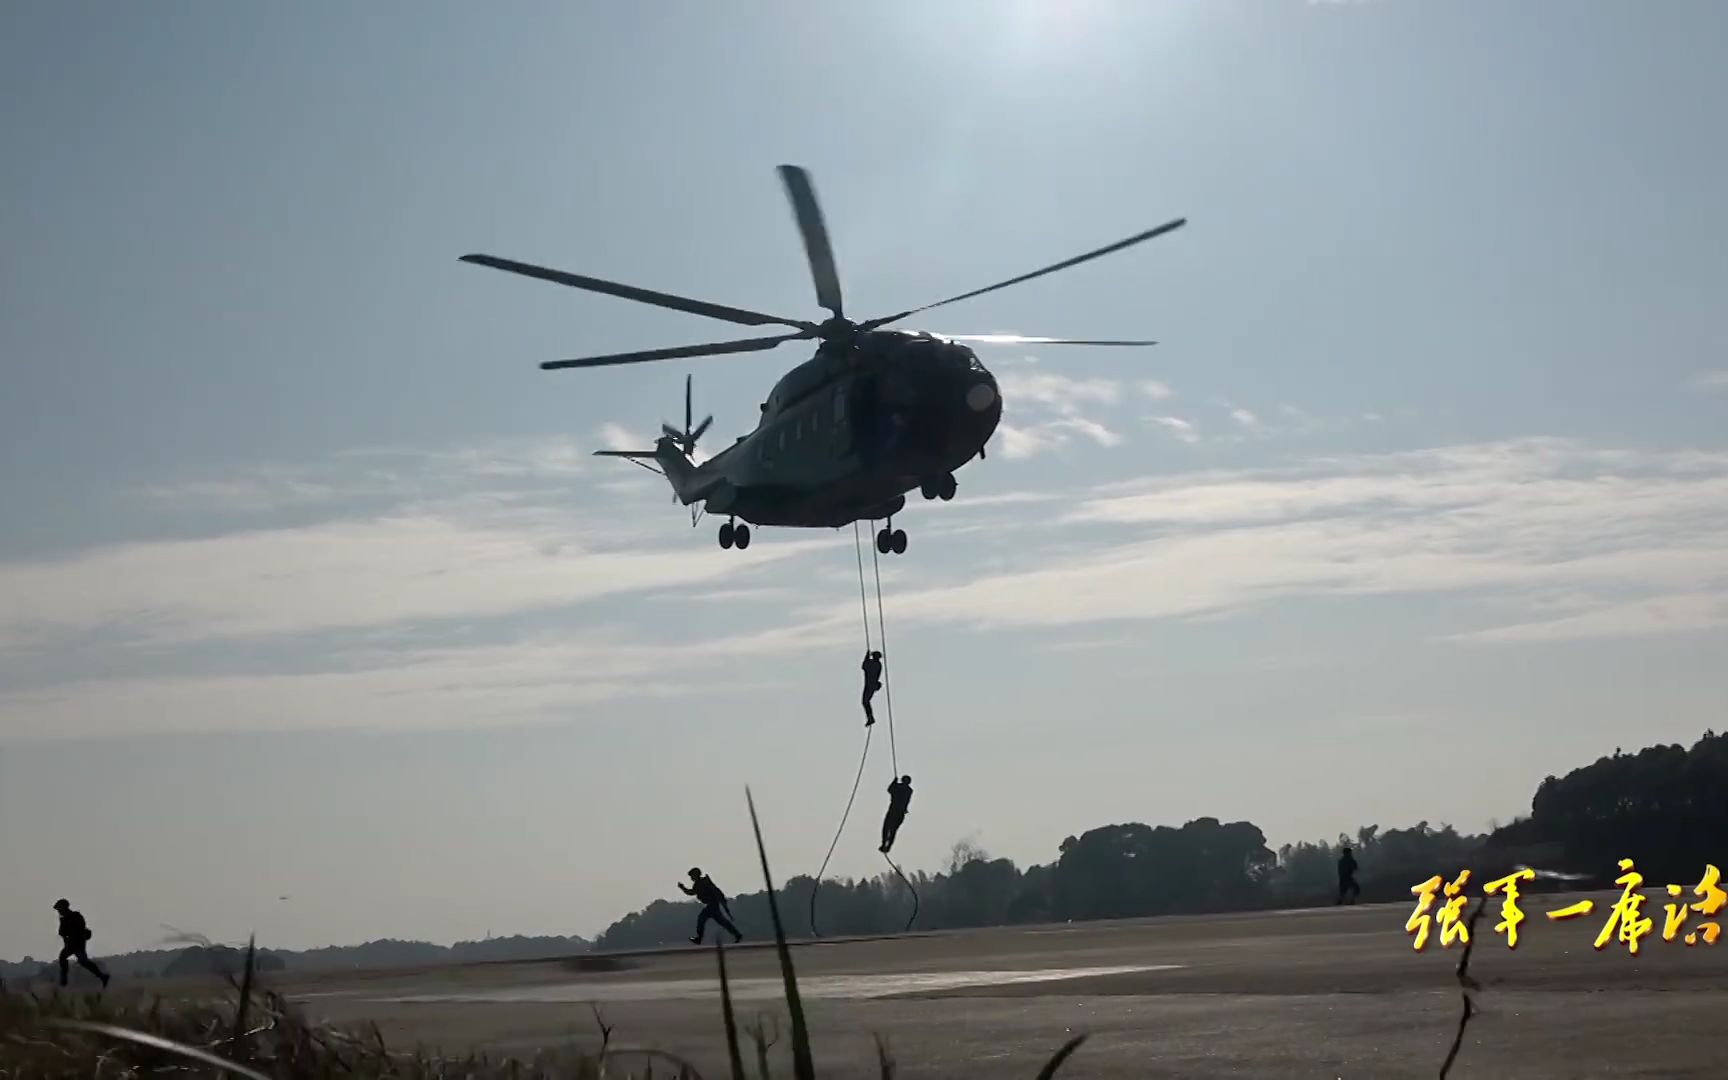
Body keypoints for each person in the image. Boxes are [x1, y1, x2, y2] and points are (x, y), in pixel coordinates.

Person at [53, 899, 109, 989]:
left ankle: (102, 976)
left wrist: (71, 935)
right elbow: (62, 933)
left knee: (83, 961)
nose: (59, 911)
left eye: (60, 909)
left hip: (78, 943)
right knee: (63, 957)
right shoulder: (63, 919)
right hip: (71, 944)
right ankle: (64, 980)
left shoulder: (75, 916)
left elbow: (81, 929)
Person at [679, 867, 742, 945]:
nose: (691, 878)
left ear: (696, 875)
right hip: (713, 905)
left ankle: (699, 938)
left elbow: (691, 892)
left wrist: (683, 888)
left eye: (692, 876)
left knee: (701, 918)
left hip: (712, 905)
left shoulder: (701, 883)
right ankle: (737, 935)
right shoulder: (702, 882)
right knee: (722, 922)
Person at [880, 775, 913, 854]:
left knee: (886, 828)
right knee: (892, 830)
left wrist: (894, 782)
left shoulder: (900, 787)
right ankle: (887, 846)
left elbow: (890, 790)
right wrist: (895, 783)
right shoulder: (909, 790)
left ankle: (884, 844)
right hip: (900, 813)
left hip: (893, 811)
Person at [860, 650, 884, 727]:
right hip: (871, 685)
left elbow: (864, 666)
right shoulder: (878, 664)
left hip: (870, 685)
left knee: (865, 701)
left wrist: (866, 656)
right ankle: (870, 717)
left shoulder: (873, 664)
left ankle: (870, 717)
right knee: (866, 701)